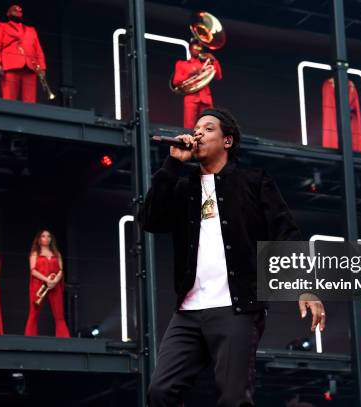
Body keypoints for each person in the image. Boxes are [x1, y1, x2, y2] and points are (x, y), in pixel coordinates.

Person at [139, 107, 325, 406]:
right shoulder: (184, 188)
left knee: (233, 398)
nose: (198, 133)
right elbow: (150, 220)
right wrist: (171, 166)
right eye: (196, 128)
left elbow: (284, 231)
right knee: (160, 392)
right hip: (189, 311)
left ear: (227, 141)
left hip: (236, 308)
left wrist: (304, 286)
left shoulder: (253, 181)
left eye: (208, 128)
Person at [0, 4, 46, 103]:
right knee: (9, 99)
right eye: (15, 11)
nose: (18, 13)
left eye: (20, 11)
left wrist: (42, 67)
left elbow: (38, 50)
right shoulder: (1, 26)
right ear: (8, 13)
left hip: (30, 67)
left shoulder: (31, 30)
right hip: (10, 65)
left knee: (30, 101)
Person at [24, 229, 70, 337]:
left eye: (48, 236)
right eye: (43, 236)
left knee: (59, 315)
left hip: (55, 285)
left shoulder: (56, 253)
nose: (46, 238)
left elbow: (61, 270)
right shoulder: (35, 253)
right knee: (34, 313)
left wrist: (54, 281)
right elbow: (33, 270)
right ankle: (30, 339)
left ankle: (64, 340)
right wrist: (47, 280)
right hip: (38, 285)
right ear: (39, 239)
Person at [172, 40, 223, 129]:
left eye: (200, 48)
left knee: (209, 124)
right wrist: (192, 73)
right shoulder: (181, 64)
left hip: (206, 99)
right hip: (191, 97)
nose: (197, 50)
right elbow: (176, 81)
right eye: (195, 47)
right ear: (190, 49)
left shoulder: (206, 63)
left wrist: (214, 59)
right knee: (189, 126)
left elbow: (218, 76)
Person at [321, 78, 361, 152]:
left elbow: (353, 104)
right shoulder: (328, 85)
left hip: (349, 125)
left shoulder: (350, 85)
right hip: (335, 122)